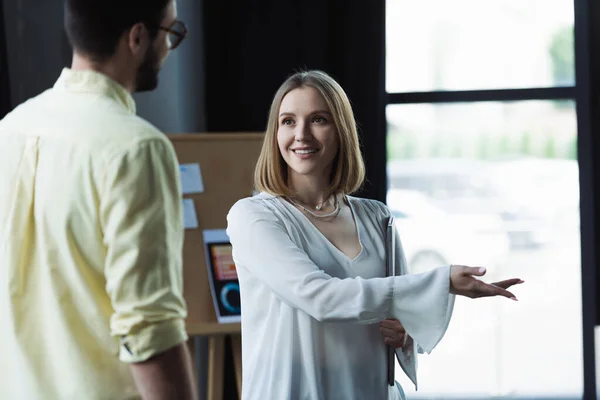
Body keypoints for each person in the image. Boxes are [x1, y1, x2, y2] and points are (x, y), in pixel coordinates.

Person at [226, 70, 524, 400]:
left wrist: (404, 333)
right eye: (288, 121)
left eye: (318, 119)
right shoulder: (254, 216)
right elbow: (320, 298)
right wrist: (442, 282)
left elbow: (399, 311)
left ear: (340, 130)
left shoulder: (376, 216)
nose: (301, 134)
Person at [0, 1, 197, 399]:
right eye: (171, 34)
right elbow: (149, 332)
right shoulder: (136, 148)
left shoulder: (10, 129)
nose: (169, 49)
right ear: (138, 37)